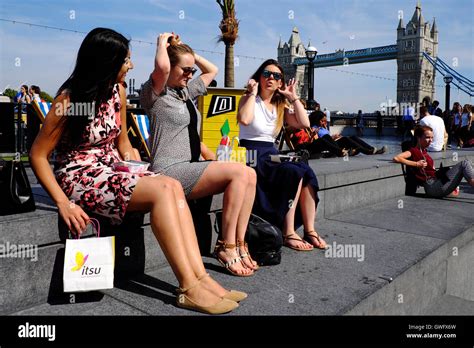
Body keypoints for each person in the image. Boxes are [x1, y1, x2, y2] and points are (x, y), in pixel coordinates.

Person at [30, 28, 242, 315]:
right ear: (106, 62)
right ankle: (188, 287)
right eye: (125, 60)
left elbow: (124, 143)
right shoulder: (68, 101)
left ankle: (202, 278)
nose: (131, 66)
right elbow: (39, 155)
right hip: (79, 175)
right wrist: (63, 203)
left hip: (111, 168)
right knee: (163, 190)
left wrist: (136, 167)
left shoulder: (117, 91)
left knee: (169, 184)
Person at [140, 33, 258, 276]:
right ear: (169, 68)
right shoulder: (155, 95)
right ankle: (226, 246)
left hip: (188, 167)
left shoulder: (184, 93)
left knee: (249, 174)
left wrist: (190, 57)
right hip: (168, 170)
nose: (189, 74)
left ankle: (238, 243)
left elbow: (212, 70)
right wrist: (163, 43)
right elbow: (161, 66)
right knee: (238, 172)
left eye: (191, 71)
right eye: (184, 69)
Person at [237, 58, 328, 251]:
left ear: (280, 82)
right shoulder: (249, 99)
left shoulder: (280, 106)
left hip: (271, 153)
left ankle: (310, 230)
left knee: (304, 170)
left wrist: (293, 97)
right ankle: (288, 232)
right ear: (259, 77)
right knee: (293, 170)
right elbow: (244, 119)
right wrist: (252, 93)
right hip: (251, 153)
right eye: (266, 74)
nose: (270, 78)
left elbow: (304, 123)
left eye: (276, 76)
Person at [393, 125, 474, 197]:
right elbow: (396, 158)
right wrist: (416, 164)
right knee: (464, 164)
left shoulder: (424, 151)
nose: (430, 140)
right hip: (432, 187)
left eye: (432, 137)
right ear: (418, 137)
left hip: (437, 183)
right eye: (427, 137)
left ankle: (452, 191)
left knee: (467, 163)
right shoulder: (414, 151)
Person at [307, 111, 386, 156]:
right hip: (330, 147)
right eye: (322, 121)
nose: (324, 122)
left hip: (333, 142)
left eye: (324, 121)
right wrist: (332, 138)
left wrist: (333, 137)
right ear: (317, 120)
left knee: (353, 137)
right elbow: (319, 141)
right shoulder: (314, 128)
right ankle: (368, 151)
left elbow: (328, 137)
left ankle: (371, 149)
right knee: (346, 139)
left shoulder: (322, 128)